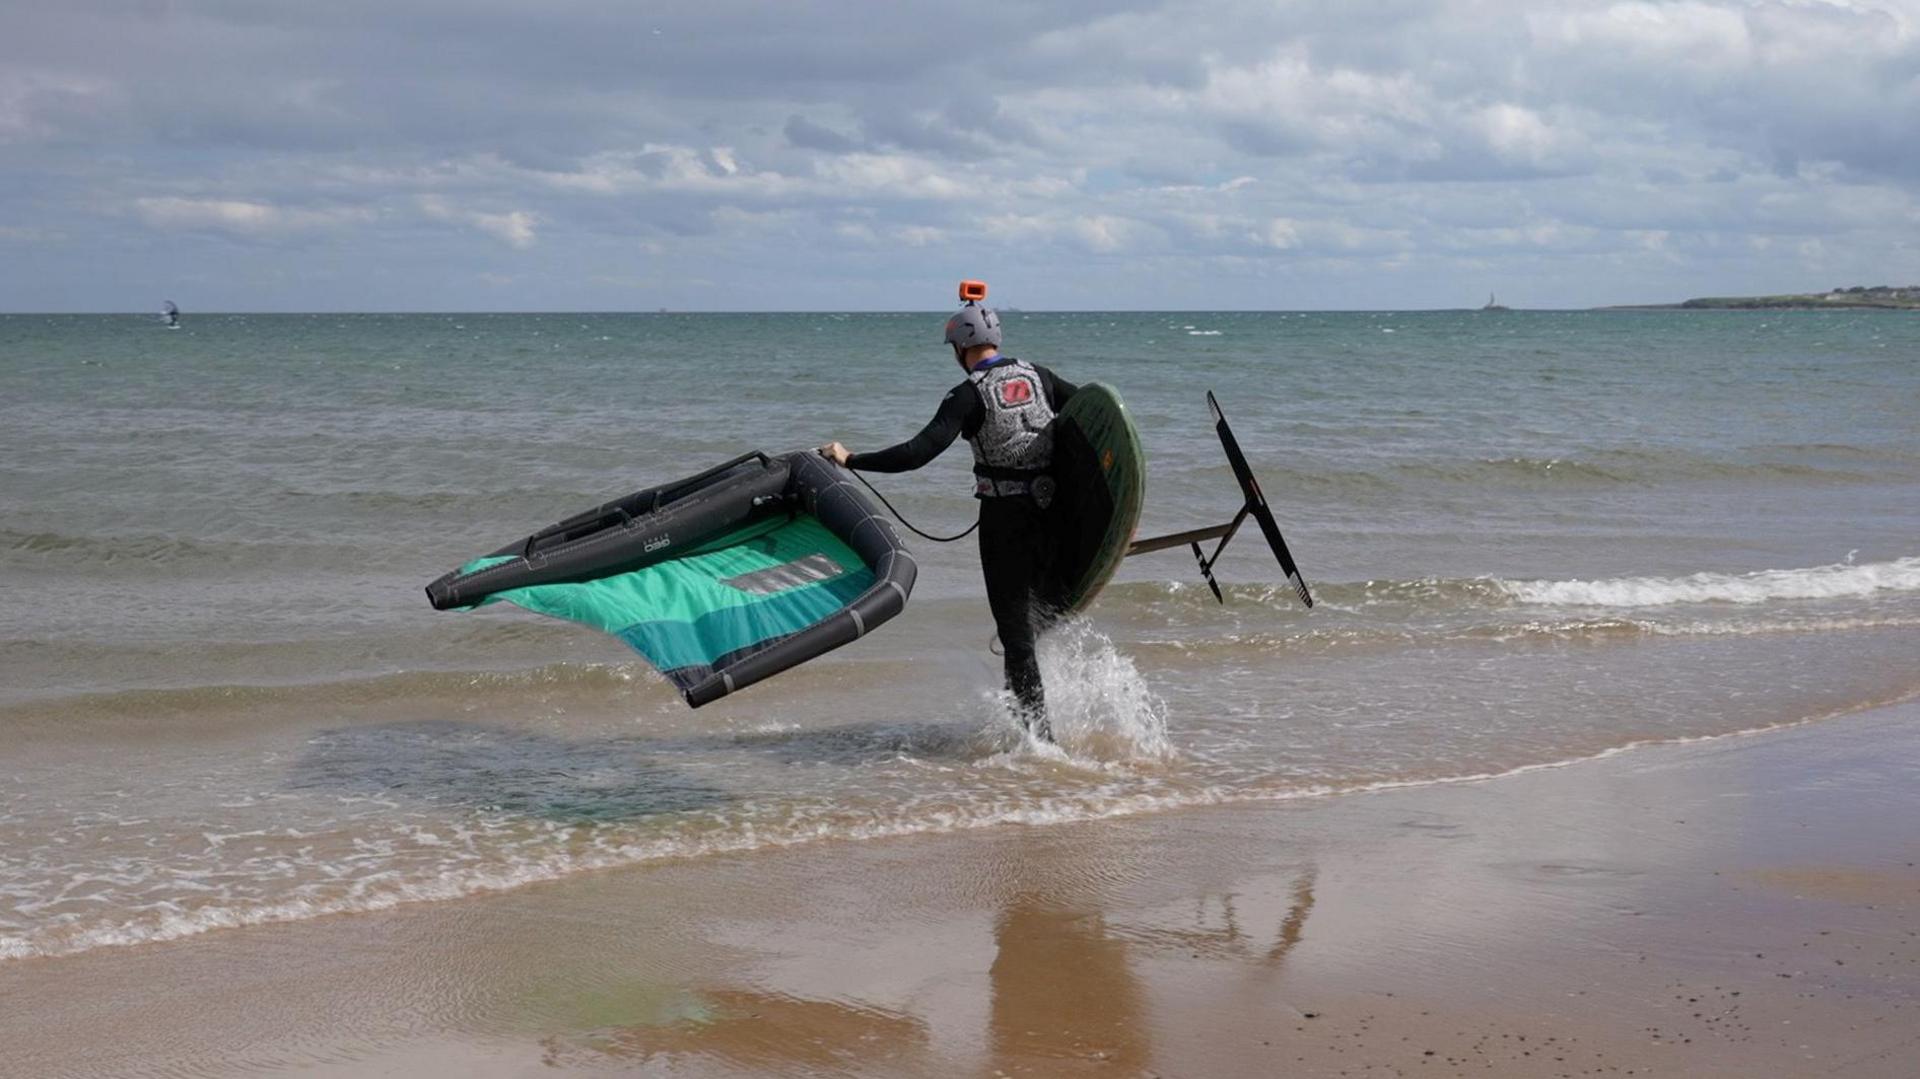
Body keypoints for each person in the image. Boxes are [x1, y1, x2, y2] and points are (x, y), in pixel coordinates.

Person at [821, 288, 1077, 741]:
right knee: (1029, 631)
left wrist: (851, 459)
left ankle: (1042, 747)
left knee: (1016, 637)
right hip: (1056, 516)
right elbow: (1089, 417)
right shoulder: (1040, 376)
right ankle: (1022, 730)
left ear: (961, 348)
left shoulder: (968, 394)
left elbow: (917, 453)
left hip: (1008, 524)